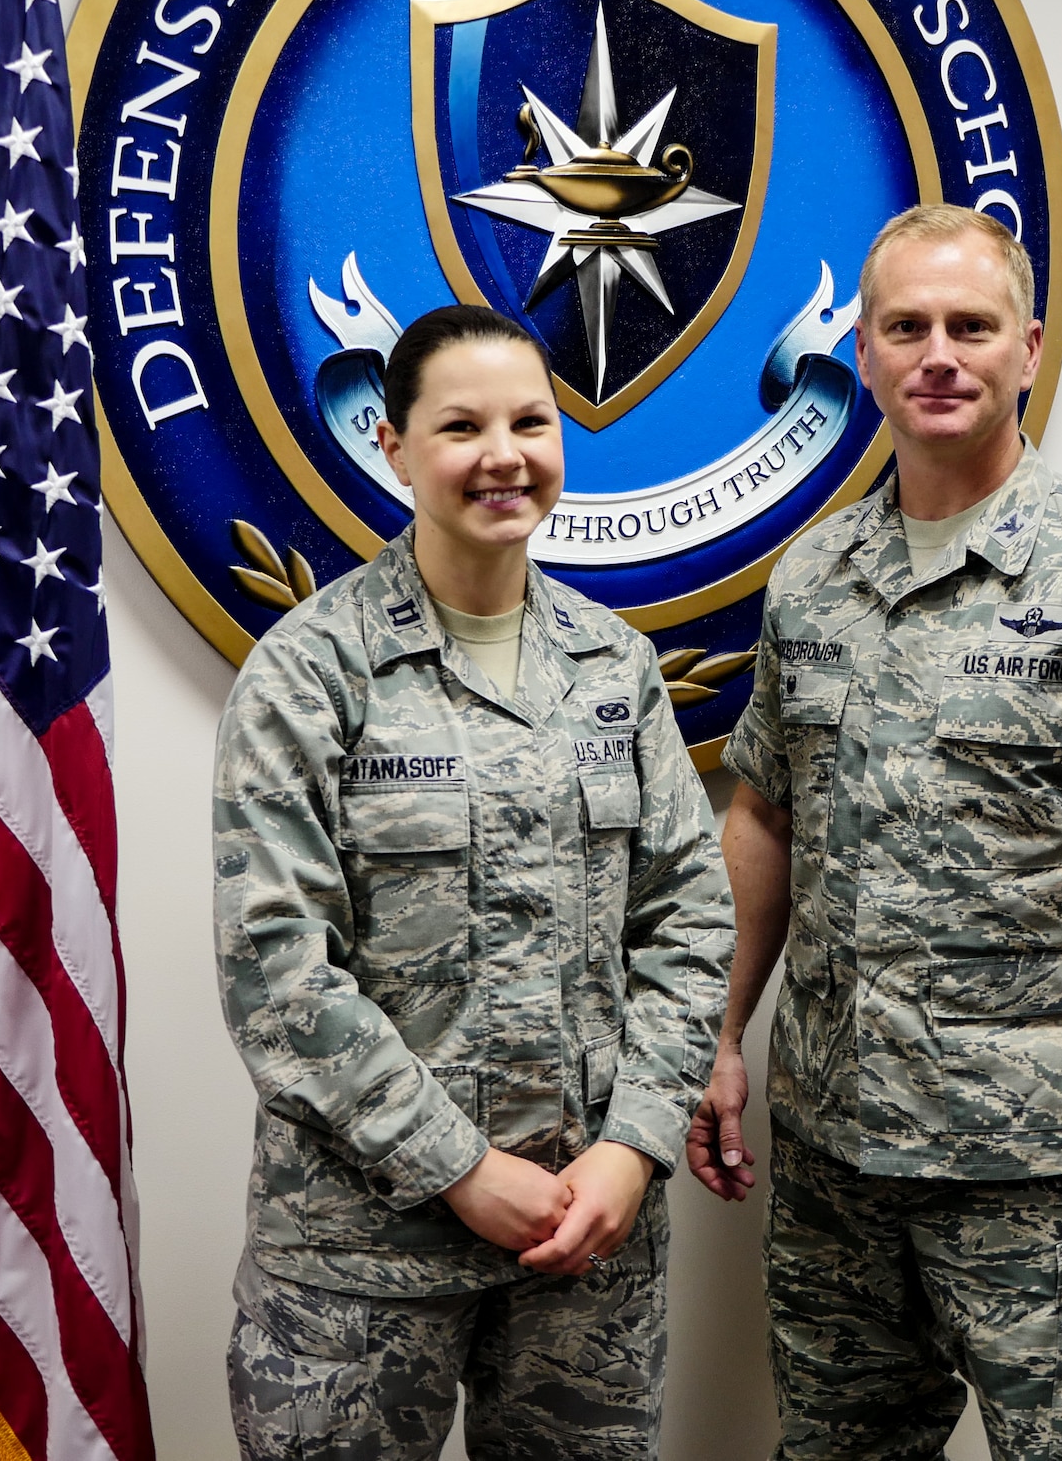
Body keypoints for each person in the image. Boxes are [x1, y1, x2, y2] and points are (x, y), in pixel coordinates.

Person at [686, 203, 1062, 1458]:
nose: (937, 353)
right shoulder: (812, 578)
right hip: (837, 1154)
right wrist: (717, 1031)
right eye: (906, 327)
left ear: (1028, 347)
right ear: (865, 351)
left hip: (1045, 1170)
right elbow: (764, 821)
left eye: (969, 325)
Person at [213, 305, 733, 1459]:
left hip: (585, 1247)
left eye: (530, 421)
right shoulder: (311, 671)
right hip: (358, 1263)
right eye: (461, 425)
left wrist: (634, 1143)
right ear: (393, 446)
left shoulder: (616, 667)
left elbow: (689, 920)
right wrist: (453, 1164)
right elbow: (276, 964)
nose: (504, 454)